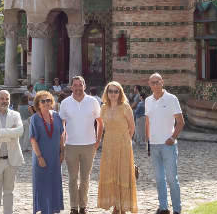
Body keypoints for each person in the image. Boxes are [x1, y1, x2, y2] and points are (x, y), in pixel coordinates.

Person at [60, 76, 102, 214]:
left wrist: (98, 140)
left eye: (80, 85)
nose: (78, 88)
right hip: (71, 145)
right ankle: (73, 206)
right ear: (71, 87)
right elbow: (62, 124)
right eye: (75, 85)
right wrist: (63, 142)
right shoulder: (65, 103)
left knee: (85, 178)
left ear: (84, 86)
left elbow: (100, 122)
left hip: (89, 145)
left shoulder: (93, 101)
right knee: (72, 178)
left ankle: (83, 206)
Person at [145, 73, 184, 214]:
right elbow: (148, 122)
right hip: (154, 145)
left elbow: (180, 122)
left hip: (168, 146)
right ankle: (163, 207)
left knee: (172, 179)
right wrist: (147, 142)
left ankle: (177, 209)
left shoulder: (172, 99)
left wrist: (173, 138)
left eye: (157, 82)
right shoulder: (148, 100)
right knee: (159, 179)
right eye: (152, 83)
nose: (155, 85)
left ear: (162, 82)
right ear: (149, 84)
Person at [96, 81, 138, 213]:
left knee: (123, 173)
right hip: (108, 145)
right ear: (106, 93)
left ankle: (122, 206)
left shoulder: (125, 107)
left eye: (116, 91)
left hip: (123, 145)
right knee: (111, 173)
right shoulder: (103, 107)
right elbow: (101, 126)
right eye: (110, 91)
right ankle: (115, 204)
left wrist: (125, 141)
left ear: (120, 93)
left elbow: (132, 128)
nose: (113, 94)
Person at [30, 91, 65, 214]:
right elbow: (33, 139)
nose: (46, 103)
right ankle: (44, 211)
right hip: (41, 157)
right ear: (38, 104)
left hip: (55, 157)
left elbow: (61, 135)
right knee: (42, 186)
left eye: (48, 100)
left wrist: (62, 152)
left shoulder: (56, 116)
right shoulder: (34, 118)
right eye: (43, 101)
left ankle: (53, 210)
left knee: (54, 184)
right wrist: (39, 157)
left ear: (52, 102)